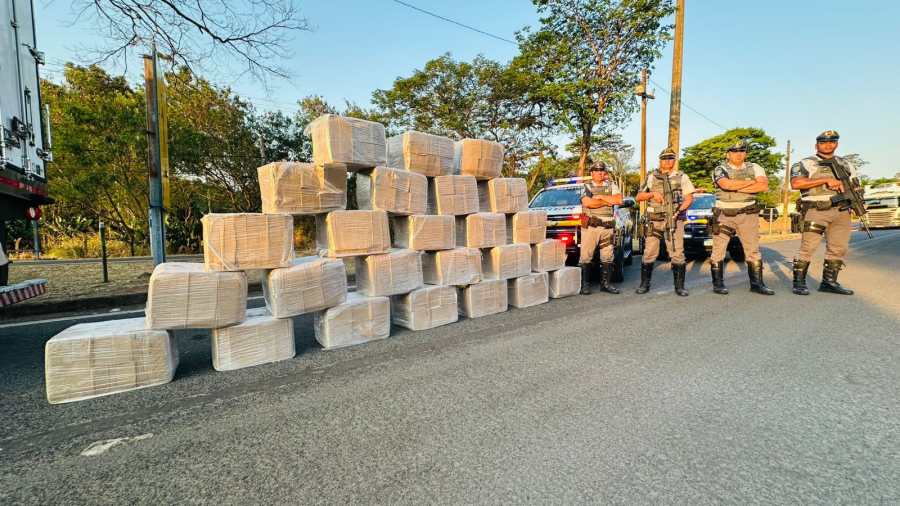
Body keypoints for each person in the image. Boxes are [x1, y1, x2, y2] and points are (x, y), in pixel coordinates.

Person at [789, 130, 858, 295]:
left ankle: (829, 282)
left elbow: (854, 186)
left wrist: (856, 204)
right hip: (816, 209)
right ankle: (799, 283)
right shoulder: (806, 163)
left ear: (837, 144)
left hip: (841, 210)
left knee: (839, 248)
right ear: (816, 145)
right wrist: (825, 180)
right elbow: (796, 183)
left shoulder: (846, 165)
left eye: (832, 142)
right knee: (808, 247)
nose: (828, 145)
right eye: (823, 142)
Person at [709, 140, 775, 295]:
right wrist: (751, 182)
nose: (739, 154)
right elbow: (726, 185)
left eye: (742, 151)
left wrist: (736, 185)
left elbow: (763, 186)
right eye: (734, 151)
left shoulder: (755, 167)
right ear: (728, 154)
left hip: (748, 213)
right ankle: (718, 284)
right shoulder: (720, 169)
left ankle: (757, 284)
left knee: (752, 249)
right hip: (724, 214)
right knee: (719, 249)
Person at [634, 147, 695, 296]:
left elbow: (689, 199)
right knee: (649, 253)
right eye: (664, 158)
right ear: (660, 161)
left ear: (674, 160)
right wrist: (652, 193)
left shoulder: (682, 177)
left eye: (670, 158)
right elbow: (639, 196)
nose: (667, 161)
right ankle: (644, 284)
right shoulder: (651, 177)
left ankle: (679, 286)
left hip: (674, 220)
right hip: (654, 220)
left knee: (677, 252)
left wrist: (678, 212)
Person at [579, 160, 624, 295]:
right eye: (596, 170)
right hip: (591, 226)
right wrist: (607, 201)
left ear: (605, 172)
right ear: (592, 173)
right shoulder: (586, 186)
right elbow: (588, 203)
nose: (599, 172)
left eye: (602, 170)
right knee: (586, 255)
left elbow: (619, 200)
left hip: (608, 227)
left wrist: (599, 197)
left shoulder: (611, 185)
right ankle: (584, 286)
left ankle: (605, 284)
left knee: (608, 256)